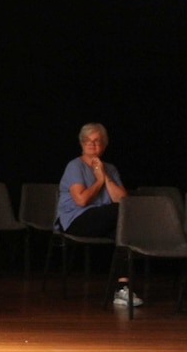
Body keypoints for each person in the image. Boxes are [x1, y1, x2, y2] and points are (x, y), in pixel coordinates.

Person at [56, 122, 141, 307]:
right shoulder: (75, 166)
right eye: (87, 141)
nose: (92, 145)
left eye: (97, 141)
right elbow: (81, 201)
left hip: (102, 219)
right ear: (81, 143)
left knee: (123, 235)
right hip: (76, 220)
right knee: (122, 216)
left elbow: (122, 199)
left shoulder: (110, 168)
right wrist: (99, 180)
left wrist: (106, 176)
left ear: (104, 145)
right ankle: (121, 289)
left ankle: (122, 289)